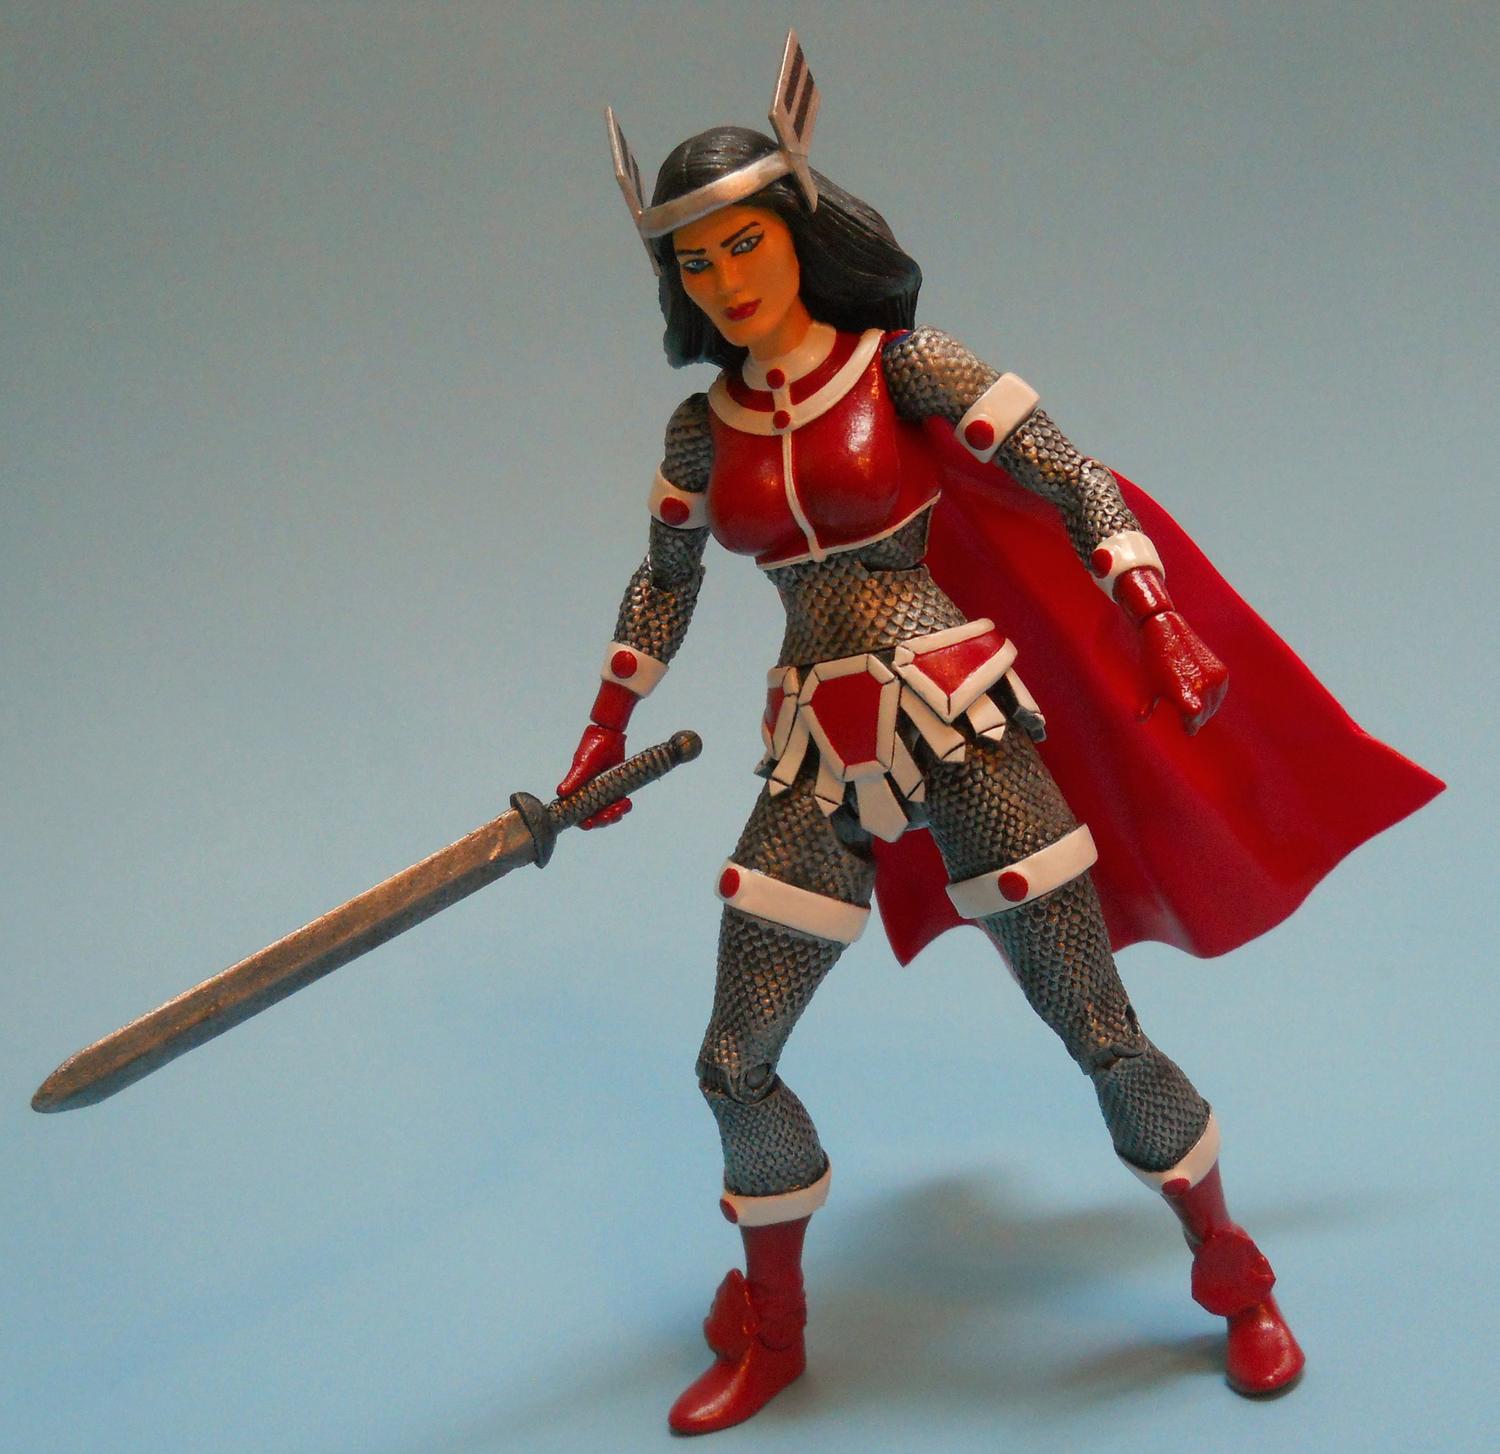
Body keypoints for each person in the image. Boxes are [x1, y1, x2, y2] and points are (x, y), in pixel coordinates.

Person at [558, 34, 1441, 1436]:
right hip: (814, 749)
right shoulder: (699, 432)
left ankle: (1234, 1272)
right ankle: (775, 1326)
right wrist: (601, 734)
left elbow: (1071, 475)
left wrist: (1156, 613)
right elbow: (662, 585)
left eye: (746, 245)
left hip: (958, 720)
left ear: (798, 232)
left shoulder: (905, 366)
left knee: (1098, 1029)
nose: (726, 280)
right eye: (698, 263)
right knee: (732, 1059)